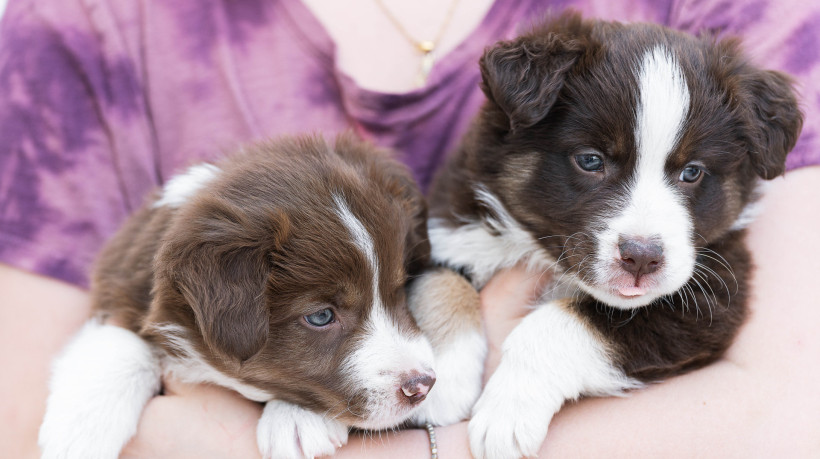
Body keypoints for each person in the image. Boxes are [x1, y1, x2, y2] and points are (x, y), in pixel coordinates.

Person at [1, 0, 818, 457]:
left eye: (688, 174)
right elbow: (25, 420)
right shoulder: (75, 29)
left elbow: (784, 411)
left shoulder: (747, 21)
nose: (645, 232)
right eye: (596, 164)